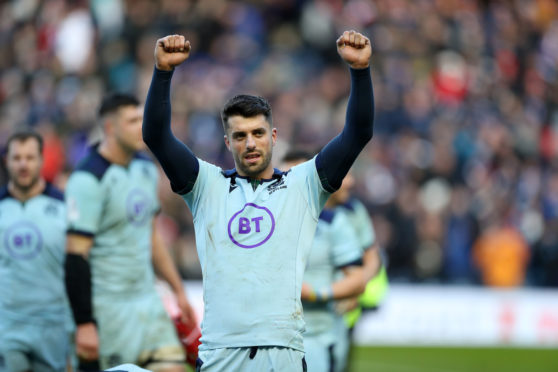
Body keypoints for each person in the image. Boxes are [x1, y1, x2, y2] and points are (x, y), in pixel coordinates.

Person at [142, 30, 374, 371]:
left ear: (273, 137)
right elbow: (156, 136)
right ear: (227, 142)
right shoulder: (205, 185)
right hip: (222, 352)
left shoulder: (304, 185)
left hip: (283, 352)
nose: (250, 143)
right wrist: (163, 73)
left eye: (258, 133)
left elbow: (358, 133)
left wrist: (361, 71)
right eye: (240, 136)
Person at [64, 93, 195, 371]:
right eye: (133, 121)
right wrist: (84, 322)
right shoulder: (88, 178)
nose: (141, 127)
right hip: (109, 308)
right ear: (110, 128)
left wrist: (178, 291)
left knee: (172, 367)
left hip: (147, 300)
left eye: (141, 119)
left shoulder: (146, 169)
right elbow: (76, 256)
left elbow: (152, 237)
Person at [281, 150, 367, 372]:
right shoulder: (264, 222)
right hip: (271, 338)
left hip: (315, 336)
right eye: (283, 176)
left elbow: (358, 280)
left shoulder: (334, 223)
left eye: (297, 176)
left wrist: (317, 294)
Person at [0, 131, 74, 372]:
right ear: (6, 161)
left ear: (42, 160)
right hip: (8, 326)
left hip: (53, 328)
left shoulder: (65, 207)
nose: (23, 164)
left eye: (30, 158)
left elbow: (80, 265)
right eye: (17, 157)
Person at [329, 173, 386, 372]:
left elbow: (371, 255)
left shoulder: (355, 210)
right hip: (313, 301)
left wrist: (356, 286)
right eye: (344, 174)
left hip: (345, 304)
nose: (351, 181)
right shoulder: (304, 208)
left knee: (340, 359)